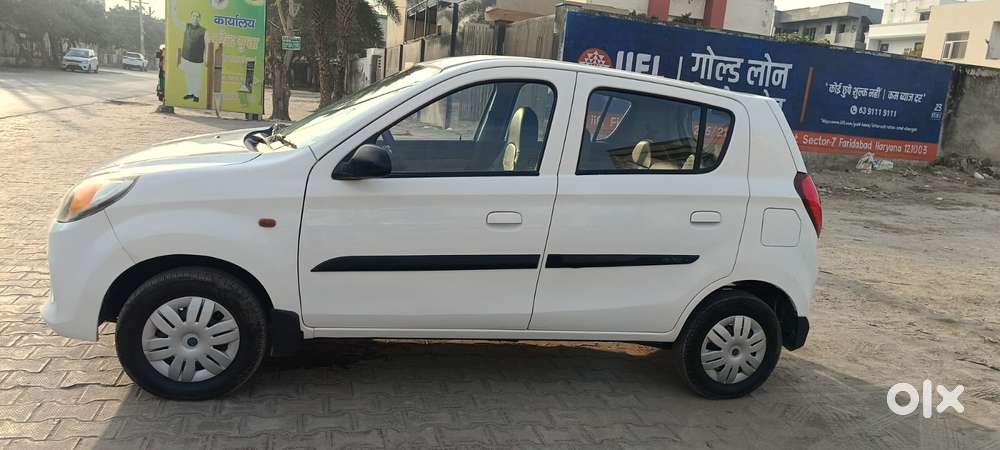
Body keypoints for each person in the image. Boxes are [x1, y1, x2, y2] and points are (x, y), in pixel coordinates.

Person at [178, 11, 206, 102]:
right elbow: (175, 21)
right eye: (194, 16)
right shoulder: (186, 26)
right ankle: (190, 93)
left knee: (196, 78)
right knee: (188, 76)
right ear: (191, 17)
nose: (195, 18)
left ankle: (196, 96)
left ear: (200, 18)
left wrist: (206, 58)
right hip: (186, 57)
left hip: (198, 59)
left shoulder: (203, 30)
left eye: (197, 16)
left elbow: (207, 45)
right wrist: (173, 7)